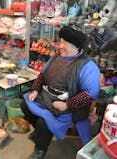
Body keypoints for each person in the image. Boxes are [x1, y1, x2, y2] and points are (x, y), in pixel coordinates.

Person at [21, 26, 100, 159]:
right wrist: (35, 89)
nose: (60, 46)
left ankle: (40, 151)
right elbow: (42, 75)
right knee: (25, 105)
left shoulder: (87, 66)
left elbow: (89, 95)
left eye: (65, 43)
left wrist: (67, 105)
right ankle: (42, 134)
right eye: (60, 41)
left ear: (77, 48)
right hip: (47, 97)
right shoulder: (57, 57)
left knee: (43, 122)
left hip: (70, 105)